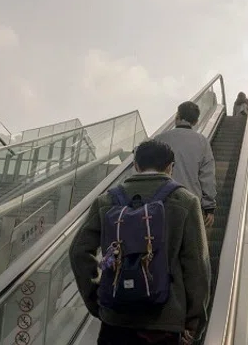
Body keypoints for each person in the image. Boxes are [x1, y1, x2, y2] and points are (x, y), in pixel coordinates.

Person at [70, 139, 211, 345]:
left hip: (115, 320)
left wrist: (97, 300)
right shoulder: (186, 201)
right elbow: (197, 265)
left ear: (136, 165)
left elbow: (78, 252)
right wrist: (194, 320)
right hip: (165, 321)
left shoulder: (106, 200)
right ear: (170, 167)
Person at [153, 101, 217, 229]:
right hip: (190, 203)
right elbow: (207, 176)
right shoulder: (202, 142)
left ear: (177, 117)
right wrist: (209, 206)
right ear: (195, 121)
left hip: (160, 201)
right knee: (189, 245)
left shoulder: (159, 139)